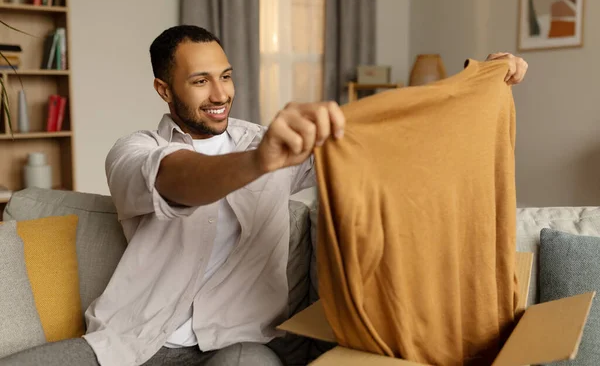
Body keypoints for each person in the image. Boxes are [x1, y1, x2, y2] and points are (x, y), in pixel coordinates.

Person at [0, 25, 528, 366]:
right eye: (200, 81)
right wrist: (260, 163)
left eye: (226, 77)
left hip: (240, 341)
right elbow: (178, 180)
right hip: (132, 342)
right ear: (165, 90)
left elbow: (385, 149)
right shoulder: (135, 150)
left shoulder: (270, 141)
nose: (221, 94)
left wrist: (473, 85)